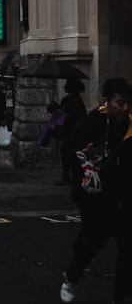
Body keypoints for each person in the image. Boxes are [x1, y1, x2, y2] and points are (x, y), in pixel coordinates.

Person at [59, 77, 132, 303]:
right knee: (92, 242)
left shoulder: (130, 125)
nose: (125, 108)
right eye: (120, 103)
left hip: (123, 195)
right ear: (105, 101)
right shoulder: (91, 124)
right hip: (94, 195)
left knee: (128, 248)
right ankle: (72, 276)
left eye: (128, 103)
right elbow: (68, 153)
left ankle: (120, 297)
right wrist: (85, 154)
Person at [58, 78, 87, 186]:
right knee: (66, 153)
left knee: (68, 154)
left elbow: (77, 115)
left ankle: (67, 176)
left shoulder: (75, 101)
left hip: (72, 131)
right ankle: (66, 176)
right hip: (68, 131)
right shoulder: (70, 100)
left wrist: (64, 113)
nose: (64, 87)